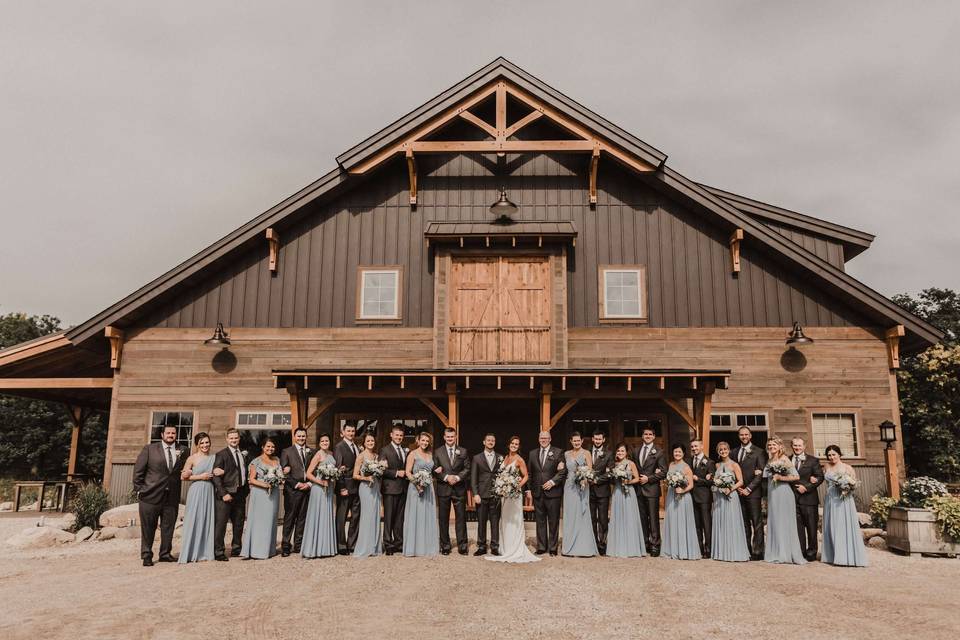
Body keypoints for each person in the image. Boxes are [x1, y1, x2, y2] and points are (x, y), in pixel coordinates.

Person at [132, 424, 188, 566]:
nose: (171, 435)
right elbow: (138, 470)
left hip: (172, 497)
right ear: (162, 434)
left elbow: (184, 469)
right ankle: (146, 555)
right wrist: (139, 489)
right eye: (168, 433)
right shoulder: (149, 449)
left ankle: (165, 553)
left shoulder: (183, 450)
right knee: (148, 528)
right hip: (150, 496)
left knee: (168, 527)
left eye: (173, 433)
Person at [487, 436, 540, 563]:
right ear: (509, 444)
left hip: (514, 496)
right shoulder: (504, 458)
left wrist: (516, 486)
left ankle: (515, 549)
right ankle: (506, 548)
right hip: (505, 496)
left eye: (517, 444)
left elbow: (526, 476)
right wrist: (502, 485)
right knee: (505, 521)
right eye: (512, 443)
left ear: (519, 446)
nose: (514, 445)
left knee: (514, 520)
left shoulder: (519, 460)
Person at [821, 445, 868, 567]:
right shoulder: (826, 466)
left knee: (844, 526)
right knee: (832, 525)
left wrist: (846, 488)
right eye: (829, 455)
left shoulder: (847, 468)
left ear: (839, 454)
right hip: (831, 499)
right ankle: (832, 555)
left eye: (834, 454)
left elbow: (854, 485)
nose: (831, 457)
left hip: (844, 500)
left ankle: (847, 555)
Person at [763, 437, 806, 565]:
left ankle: (785, 553)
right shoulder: (770, 459)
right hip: (772, 493)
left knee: (784, 522)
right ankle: (775, 552)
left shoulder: (784, 459)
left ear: (780, 446)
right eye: (769, 445)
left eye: (774, 444)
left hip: (783, 493)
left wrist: (780, 477)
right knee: (775, 521)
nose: (771, 447)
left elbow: (796, 476)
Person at [178, 432, 218, 563]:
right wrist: (201, 476)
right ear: (197, 445)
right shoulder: (192, 458)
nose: (205, 445)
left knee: (206, 518)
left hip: (209, 490)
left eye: (207, 442)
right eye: (202, 443)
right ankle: (190, 552)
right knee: (194, 518)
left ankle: (205, 551)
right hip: (196, 490)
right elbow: (183, 477)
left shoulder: (214, 458)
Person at [239, 438, 282, 560]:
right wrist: (265, 485)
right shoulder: (256, 462)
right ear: (262, 447)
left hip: (273, 492)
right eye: (268, 446)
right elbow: (251, 479)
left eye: (272, 447)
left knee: (270, 519)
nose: (270, 449)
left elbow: (280, 474)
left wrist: (279, 479)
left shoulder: (276, 460)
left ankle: (269, 549)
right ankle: (256, 550)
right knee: (259, 521)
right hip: (260, 493)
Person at [211, 428, 249, 561]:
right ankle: (219, 552)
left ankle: (237, 549)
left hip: (240, 494)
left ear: (239, 438)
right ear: (227, 439)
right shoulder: (221, 454)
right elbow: (215, 477)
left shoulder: (243, 454)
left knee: (238, 523)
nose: (234, 440)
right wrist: (223, 493)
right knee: (221, 524)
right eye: (231, 438)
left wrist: (246, 490)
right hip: (226, 495)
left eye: (236, 438)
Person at [527, 430, 566, 555]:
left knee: (553, 521)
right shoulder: (532, 453)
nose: (543, 440)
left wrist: (553, 482)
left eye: (546, 438)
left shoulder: (558, 452)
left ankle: (553, 548)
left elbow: (563, 472)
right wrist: (528, 489)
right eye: (541, 438)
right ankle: (542, 546)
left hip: (553, 493)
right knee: (540, 521)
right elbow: (530, 473)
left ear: (550, 439)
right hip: (538, 492)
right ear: (538, 439)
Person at [710, 441, 750, 562]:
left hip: (731, 496)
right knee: (721, 522)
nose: (723, 451)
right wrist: (718, 486)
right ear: (718, 452)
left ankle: (734, 551)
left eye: (725, 449)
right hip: (719, 497)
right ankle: (721, 552)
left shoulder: (734, 465)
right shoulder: (716, 465)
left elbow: (741, 481)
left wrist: (730, 489)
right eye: (720, 450)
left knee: (731, 521)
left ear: (729, 450)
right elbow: (715, 480)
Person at [731, 426, 767, 560]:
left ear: (750, 436)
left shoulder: (759, 452)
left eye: (746, 434)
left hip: (753, 493)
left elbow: (760, 473)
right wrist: (737, 487)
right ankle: (745, 549)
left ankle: (758, 552)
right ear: (739, 436)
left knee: (756, 523)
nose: (744, 437)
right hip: (738, 492)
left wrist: (748, 489)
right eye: (741, 435)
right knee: (743, 522)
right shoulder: (733, 452)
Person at [433, 427, 470, 555]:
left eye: (452, 436)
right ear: (444, 437)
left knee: (461, 518)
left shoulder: (463, 451)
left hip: (459, 489)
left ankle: (462, 546)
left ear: (455, 437)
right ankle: (445, 546)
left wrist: (457, 477)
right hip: (444, 489)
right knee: (443, 519)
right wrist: (446, 477)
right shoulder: (438, 452)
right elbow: (434, 469)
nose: (450, 439)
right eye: (448, 437)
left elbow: (467, 469)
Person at [403, 432, 440, 557]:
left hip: (428, 489)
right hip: (415, 489)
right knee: (416, 515)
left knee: (427, 515)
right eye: (423, 440)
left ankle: (427, 546)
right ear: (417, 440)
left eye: (427, 441)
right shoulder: (412, 454)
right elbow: (408, 472)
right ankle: (414, 547)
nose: (425, 443)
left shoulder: (430, 454)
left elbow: (430, 471)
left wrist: (435, 471)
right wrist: (417, 484)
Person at [605, 443, 646, 558]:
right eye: (618, 451)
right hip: (617, 492)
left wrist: (627, 482)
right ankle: (617, 546)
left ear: (626, 452)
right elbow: (612, 479)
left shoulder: (631, 463)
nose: (620, 453)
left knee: (629, 517)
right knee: (618, 518)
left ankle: (631, 547)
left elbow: (637, 478)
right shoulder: (615, 464)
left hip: (628, 492)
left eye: (622, 451)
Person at [301, 434, 338, 559]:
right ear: (319, 443)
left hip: (329, 488)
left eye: (327, 440)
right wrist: (320, 482)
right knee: (318, 516)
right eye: (322, 441)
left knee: (326, 516)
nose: (324, 442)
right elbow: (308, 474)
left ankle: (325, 547)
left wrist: (334, 475)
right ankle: (314, 548)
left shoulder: (332, 454)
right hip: (319, 489)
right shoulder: (318, 455)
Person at [562, 432, 598, 557]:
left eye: (578, 440)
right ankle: (569, 547)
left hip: (582, 485)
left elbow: (590, 470)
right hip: (569, 486)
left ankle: (583, 546)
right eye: (574, 441)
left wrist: (585, 478)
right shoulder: (566, 454)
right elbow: (563, 470)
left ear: (582, 441)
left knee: (581, 514)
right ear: (571, 441)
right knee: (570, 514)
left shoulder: (586, 453)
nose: (576, 443)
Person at [631, 428, 666, 556]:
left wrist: (649, 478)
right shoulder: (636, 451)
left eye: (650, 434)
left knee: (653, 519)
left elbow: (663, 472)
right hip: (639, 490)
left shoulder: (659, 452)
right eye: (645, 434)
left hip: (652, 490)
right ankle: (645, 543)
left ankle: (655, 545)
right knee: (642, 519)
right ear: (642, 436)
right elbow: (632, 467)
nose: (648, 436)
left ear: (654, 436)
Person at [661, 444, 700, 560]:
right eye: (675, 452)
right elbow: (669, 480)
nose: (677, 454)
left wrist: (682, 490)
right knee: (672, 521)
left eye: (679, 452)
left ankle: (683, 551)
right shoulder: (671, 465)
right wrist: (667, 483)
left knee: (682, 522)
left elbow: (691, 485)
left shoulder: (686, 467)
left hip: (682, 498)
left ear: (683, 453)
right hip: (671, 495)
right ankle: (672, 549)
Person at [279, 427, 313, 556]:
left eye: (303, 436)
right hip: (292, 491)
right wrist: (298, 484)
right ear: (294, 437)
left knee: (302, 518)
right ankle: (286, 546)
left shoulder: (312, 451)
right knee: (290, 518)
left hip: (307, 490)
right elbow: (284, 472)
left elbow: (314, 470)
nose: (301, 438)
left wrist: (309, 484)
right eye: (299, 436)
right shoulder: (286, 451)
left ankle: (298, 545)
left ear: (306, 436)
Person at [790, 437, 824, 561]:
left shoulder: (813, 460)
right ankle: (801, 552)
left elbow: (820, 477)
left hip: (809, 499)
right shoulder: (787, 460)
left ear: (804, 446)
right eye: (795, 445)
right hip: (793, 499)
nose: (797, 448)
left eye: (799, 445)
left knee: (811, 527)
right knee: (798, 528)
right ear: (792, 446)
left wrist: (807, 487)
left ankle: (811, 553)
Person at [352, 433, 384, 557]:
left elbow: (380, 472)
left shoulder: (376, 456)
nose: (371, 442)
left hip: (375, 487)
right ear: (364, 443)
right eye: (368, 441)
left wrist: (379, 470)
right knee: (367, 516)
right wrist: (366, 478)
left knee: (375, 516)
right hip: (365, 488)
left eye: (372, 440)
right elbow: (355, 475)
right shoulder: (361, 456)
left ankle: (374, 547)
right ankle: (364, 546)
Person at [470, 433, 502, 556]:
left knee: (495, 522)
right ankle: (481, 546)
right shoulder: (477, 458)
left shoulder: (500, 457)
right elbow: (473, 478)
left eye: (493, 440)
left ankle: (494, 546)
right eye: (488, 440)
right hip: (481, 495)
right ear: (484, 442)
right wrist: (475, 494)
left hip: (496, 495)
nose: (490, 442)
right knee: (481, 522)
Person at [380, 425, 409, 555]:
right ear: (391, 435)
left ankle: (399, 543)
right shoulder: (384, 450)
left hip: (403, 489)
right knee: (389, 518)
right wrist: (397, 473)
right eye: (396, 435)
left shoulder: (405, 450)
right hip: (390, 489)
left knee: (399, 518)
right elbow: (381, 470)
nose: (399, 437)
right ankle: (388, 544)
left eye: (401, 435)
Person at [333, 423, 361, 554]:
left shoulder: (356, 447)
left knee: (356, 517)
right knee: (342, 517)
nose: (351, 433)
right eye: (348, 431)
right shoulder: (339, 447)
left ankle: (352, 544)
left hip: (357, 487)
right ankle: (341, 545)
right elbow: (338, 469)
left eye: (353, 431)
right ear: (343, 432)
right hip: (345, 488)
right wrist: (342, 487)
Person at [588, 430, 614, 555]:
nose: (597, 441)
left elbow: (610, 473)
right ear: (592, 439)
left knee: (603, 519)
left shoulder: (608, 454)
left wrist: (597, 480)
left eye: (600, 439)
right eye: (595, 439)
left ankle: (602, 544)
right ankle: (593, 542)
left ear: (603, 440)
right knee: (591, 518)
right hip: (588, 491)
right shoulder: (587, 452)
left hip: (602, 491)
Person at [689, 439, 716, 558]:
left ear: (702, 446)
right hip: (691, 496)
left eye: (696, 446)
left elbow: (712, 482)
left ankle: (708, 549)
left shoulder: (709, 462)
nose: (694, 448)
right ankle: (699, 548)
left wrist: (698, 480)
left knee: (706, 524)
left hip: (704, 498)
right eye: (692, 447)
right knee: (696, 524)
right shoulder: (689, 461)